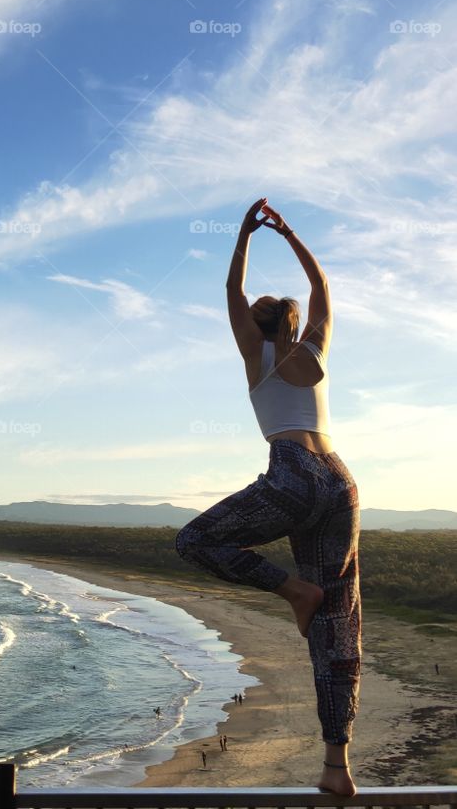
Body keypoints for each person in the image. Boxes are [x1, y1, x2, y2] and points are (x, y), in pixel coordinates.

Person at [175, 198, 361, 798]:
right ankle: (338, 767)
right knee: (338, 624)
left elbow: (231, 285)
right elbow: (321, 282)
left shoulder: (254, 354)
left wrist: (244, 232)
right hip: (339, 478)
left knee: (195, 540)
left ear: (257, 325)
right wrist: (289, 232)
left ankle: (292, 590)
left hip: (292, 474)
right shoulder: (314, 350)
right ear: (292, 321)